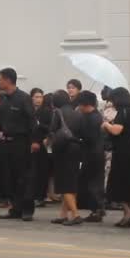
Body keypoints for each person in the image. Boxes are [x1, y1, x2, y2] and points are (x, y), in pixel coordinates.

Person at [0, 68, 39, 221]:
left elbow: (32, 121)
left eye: (0, 79)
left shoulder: (23, 98)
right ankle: (15, 208)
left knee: (24, 177)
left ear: (8, 80)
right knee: (11, 177)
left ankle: (27, 210)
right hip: (7, 143)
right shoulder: (4, 99)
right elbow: (2, 121)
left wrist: (35, 141)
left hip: (22, 143)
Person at [102, 87, 130, 228]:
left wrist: (106, 124)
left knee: (118, 185)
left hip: (122, 154)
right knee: (127, 184)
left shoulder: (122, 112)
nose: (112, 103)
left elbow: (117, 131)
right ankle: (126, 215)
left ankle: (128, 212)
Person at [48, 90, 83, 226]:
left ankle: (75, 214)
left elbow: (52, 130)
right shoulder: (77, 112)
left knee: (65, 184)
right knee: (71, 182)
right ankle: (63, 214)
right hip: (76, 149)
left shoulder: (57, 112)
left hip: (63, 151)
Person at [77, 91, 106, 222]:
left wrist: (79, 138)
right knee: (94, 182)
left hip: (92, 154)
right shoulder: (95, 116)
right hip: (96, 153)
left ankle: (97, 210)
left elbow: (89, 137)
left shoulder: (92, 118)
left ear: (84, 103)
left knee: (93, 183)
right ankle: (97, 209)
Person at [31, 88, 52, 207]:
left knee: (42, 171)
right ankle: (34, 195)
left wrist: (40, 125)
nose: (38, 99)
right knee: (33, 171)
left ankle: (41, 196)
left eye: (40, 97)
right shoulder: (29, 110)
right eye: (36, 97)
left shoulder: (47, 111)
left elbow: (51, 127)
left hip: (43, 144)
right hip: (31, 144)